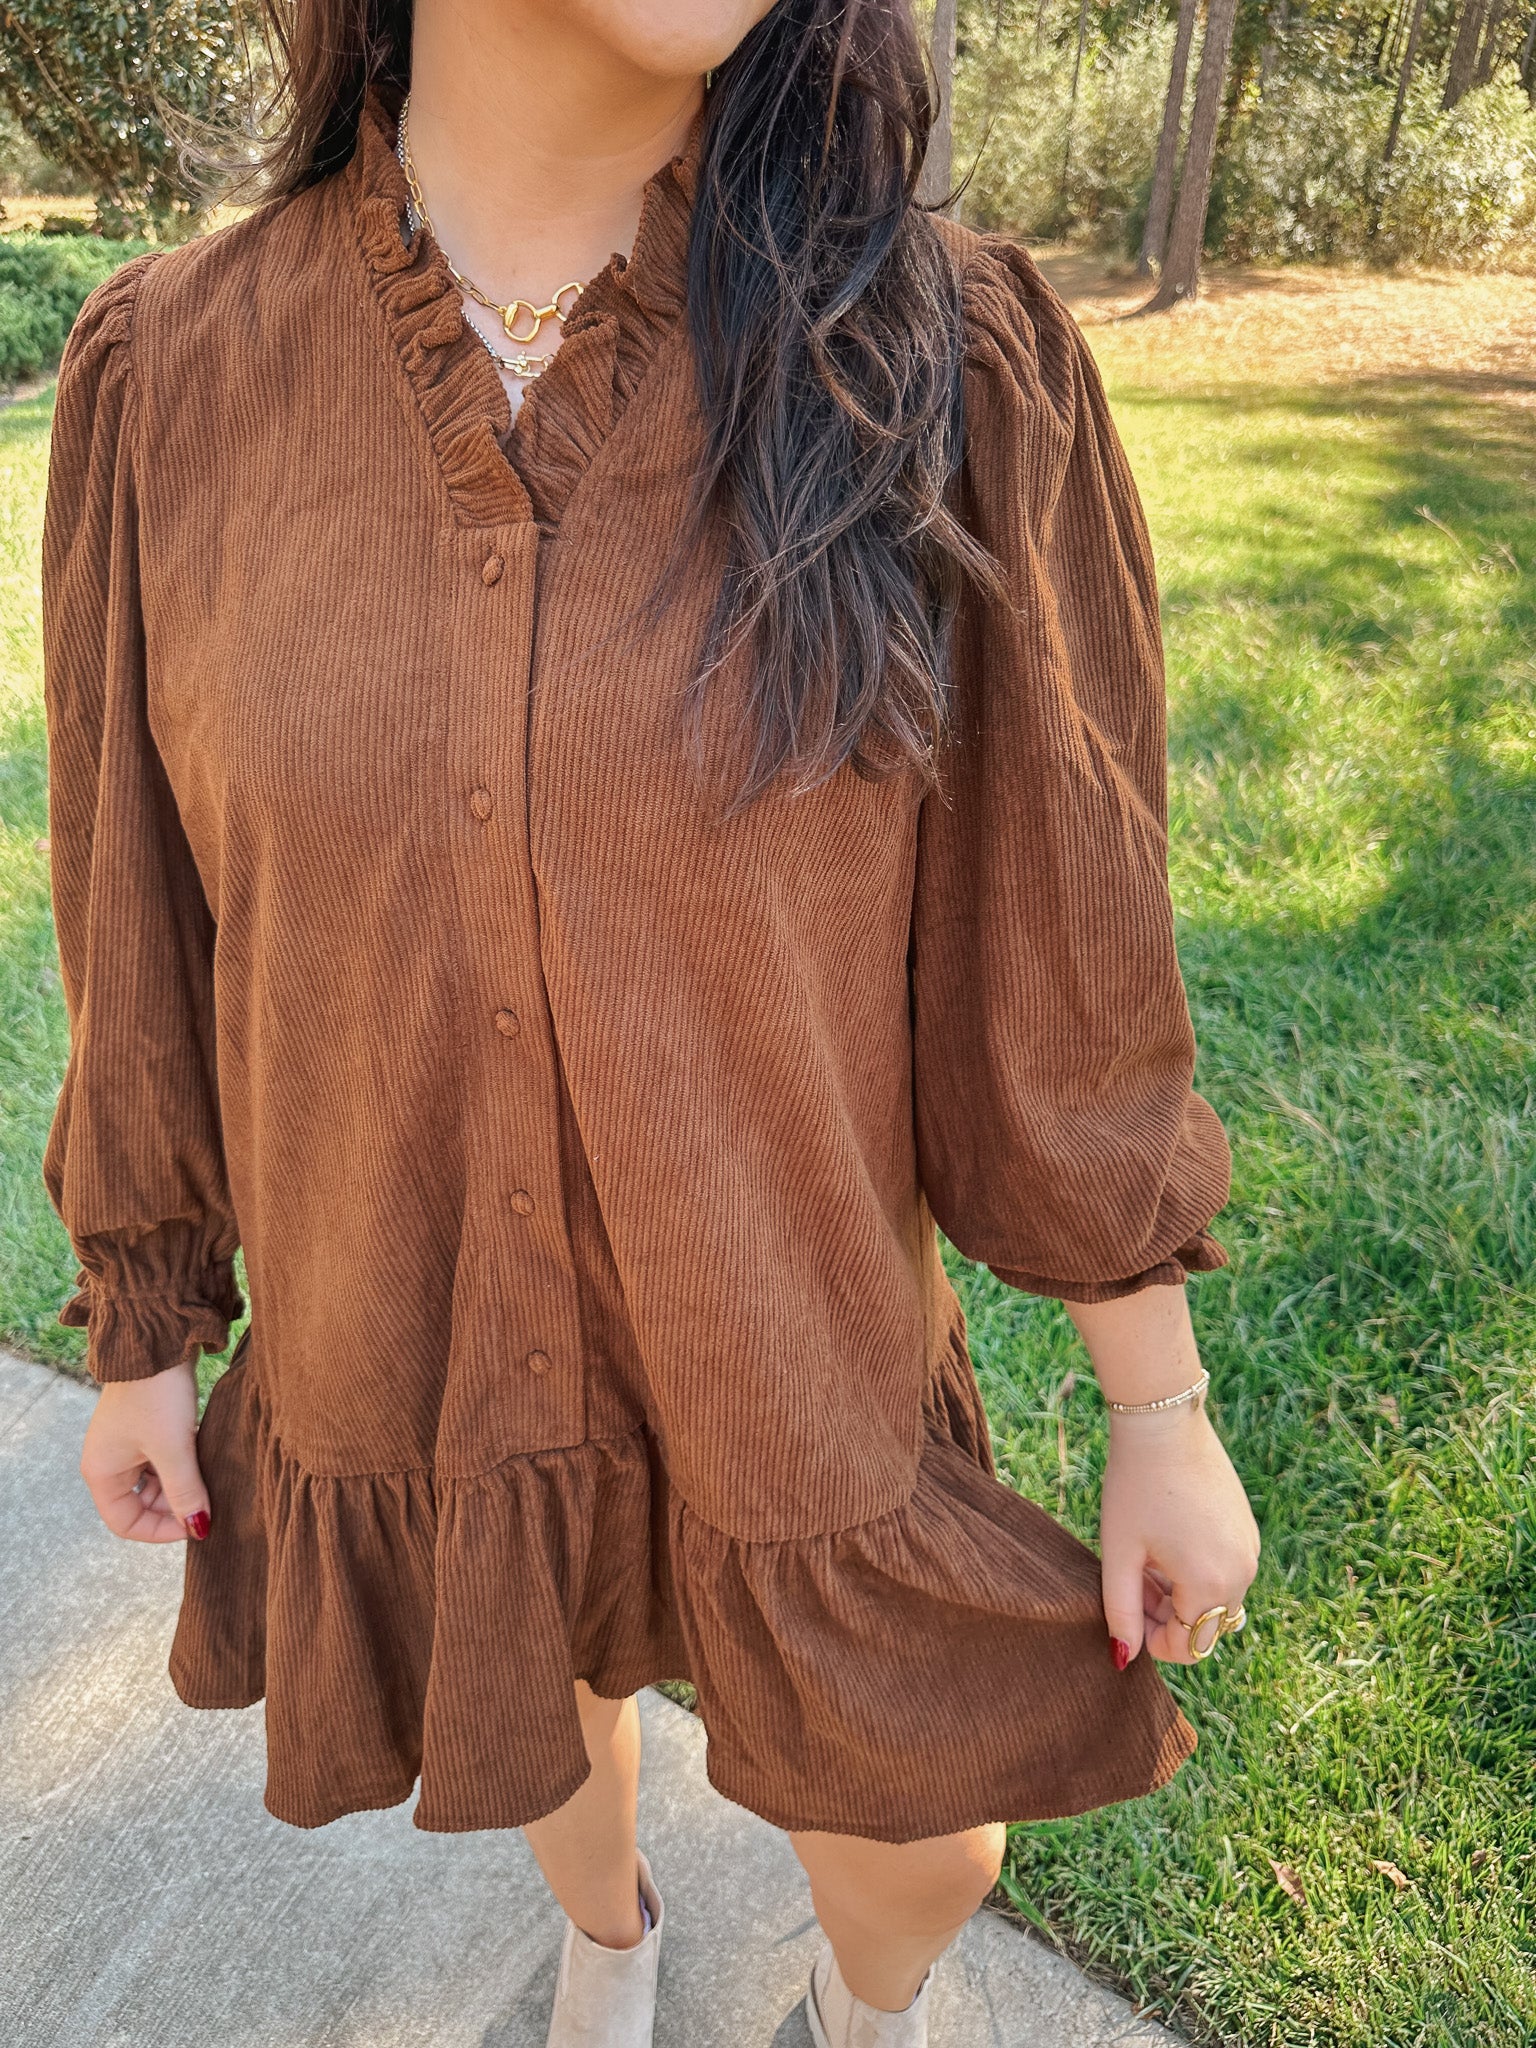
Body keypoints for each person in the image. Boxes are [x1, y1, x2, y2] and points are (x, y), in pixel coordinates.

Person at [40, 3, 1260, 2043]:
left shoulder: (929, 354)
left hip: (790, 1346)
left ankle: (858, 2016)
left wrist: (1160, 1402)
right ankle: (607, 1945)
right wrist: (144, 1323)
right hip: (414, 1309)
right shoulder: (173, 376)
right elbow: (135, 905)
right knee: (544, 1680)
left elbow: (1050, 944)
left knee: (922, 1844)